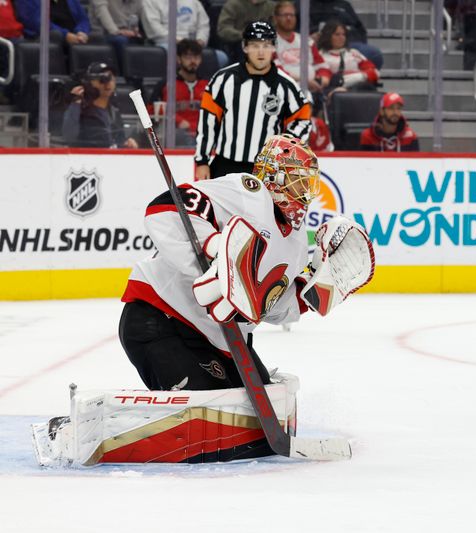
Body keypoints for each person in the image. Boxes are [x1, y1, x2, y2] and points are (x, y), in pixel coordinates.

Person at [119, 134, 374, 458]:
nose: (305, 192)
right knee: (206, 422)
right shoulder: (246, 192)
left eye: (308, 183)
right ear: (275, 176)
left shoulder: (295, 240)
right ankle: (117, 430)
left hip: (220, 339)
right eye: (298, 180)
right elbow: (164, 208)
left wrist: (306, 298)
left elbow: (265, 306)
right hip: (160, 319)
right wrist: (213, 253)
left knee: (258, 420)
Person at [194, 21, 312, 180]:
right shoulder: (223, 79)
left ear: (274, 47)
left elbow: (303, 120)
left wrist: (283, 150)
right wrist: (202, 161)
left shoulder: (286, 85)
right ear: (245, 47)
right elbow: (208, 122)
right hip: (225, 165)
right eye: (255, 46)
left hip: (266, 170)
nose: (261, 52)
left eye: (266, 45)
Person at [62, 62, 139, 148]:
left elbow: (118, 140)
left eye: (111, 78)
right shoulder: (80, 109)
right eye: (103, 78)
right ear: (90, 82)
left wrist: (126, 143)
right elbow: (69, 137)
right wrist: (75, 104)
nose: (108, 83)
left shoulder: (114, 111)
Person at [150, 38, 208, 147]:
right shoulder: (166, 84)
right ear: (179, 59)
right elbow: (152, 111)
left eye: (196, 57)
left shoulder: (209, 85)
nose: (193, 61)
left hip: (203, 135)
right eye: (188, 57)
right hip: (175, 137)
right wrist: (178, 121)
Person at [272, 0, 331, 94]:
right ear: (275, 18)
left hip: (313, 87)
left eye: (292, 15)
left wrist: (323, 79)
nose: (289, 18)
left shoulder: (307, 41)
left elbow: (322, 65)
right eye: (285, 15)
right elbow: (274, 70)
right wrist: (303, 82)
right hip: (285, 87)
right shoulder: (269, 42)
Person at [308, 0, 383, 70]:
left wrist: (346, 35)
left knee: (373, 54)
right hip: (318, 45)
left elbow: (360, 30)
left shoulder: (344, 5)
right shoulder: (303, 6)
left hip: (348, 44)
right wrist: (310, 37)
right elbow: (298, 32)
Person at [317, 19, 379, 94]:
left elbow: (374, 73)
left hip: (358, 88)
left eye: (343, 34)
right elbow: (326, 79)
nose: (341, 37)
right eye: (337, 34)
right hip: (333, 91)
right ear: (328, 36)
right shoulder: (320, 55)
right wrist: (359, 75)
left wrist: (351, 78)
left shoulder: (353, 53)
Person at [90, 0, 143, 65]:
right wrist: (117, 31)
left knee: (142, 41)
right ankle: (123, 74)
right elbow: (102, 13)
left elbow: (139, 16)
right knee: (121, 40)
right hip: (103, 33)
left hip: (126, 33)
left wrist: (136, 30)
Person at [16, 0, 91, 43]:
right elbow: (35, 22)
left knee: (97, 40)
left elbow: (83, 18)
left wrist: (81, 31)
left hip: (75, 37)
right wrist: (65, 35)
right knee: (56, 36)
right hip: (45, 39)